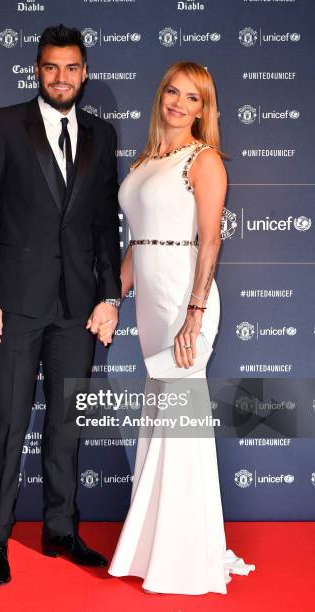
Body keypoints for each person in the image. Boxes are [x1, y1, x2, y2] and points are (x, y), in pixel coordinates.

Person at [0, 24, 121, 586]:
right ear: (36, 70)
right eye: (51, 67)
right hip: (14, 305)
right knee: (8, 424)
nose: (61, 78)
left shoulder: (102, 135)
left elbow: (104, 227)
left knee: (67, 427)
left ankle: (59, 529)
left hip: (77, 309)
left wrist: (109, 295)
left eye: (72, 67)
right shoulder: (3, 125)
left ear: (84, 72)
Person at [103, 62, 255, 594]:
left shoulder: (204, 159)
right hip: (151, 299)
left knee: (182, 422)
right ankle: (154, 544)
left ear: (203, 110)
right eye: (172, 91)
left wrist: (194, 313)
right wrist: (111, 299)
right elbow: (138, 245)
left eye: (192, 98)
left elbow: (209, 241)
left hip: (184, 301)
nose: (178, 103)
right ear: (161, 95)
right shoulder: (147, 159)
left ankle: (186, 554)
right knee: (163, 418)